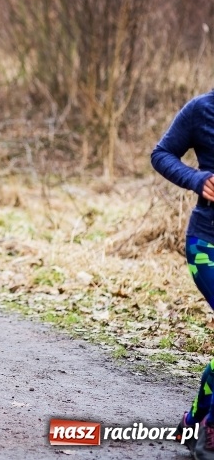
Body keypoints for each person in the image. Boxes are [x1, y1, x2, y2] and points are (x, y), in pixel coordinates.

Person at [151, 88, 214, 458]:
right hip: (207, 245)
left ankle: (192, 424)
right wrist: (198, 179)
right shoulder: (202, 110)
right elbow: (161, 154)